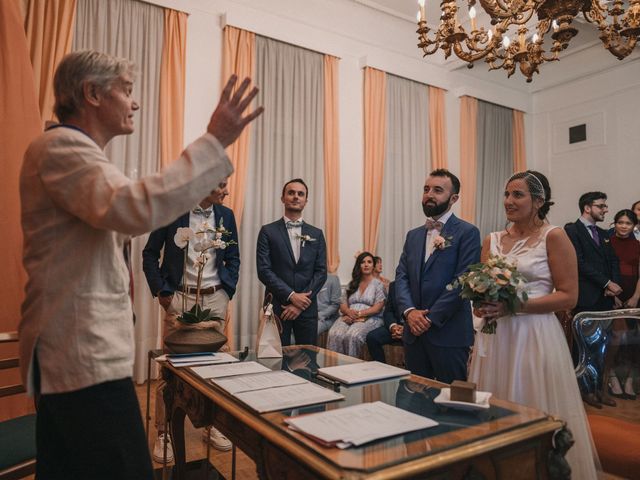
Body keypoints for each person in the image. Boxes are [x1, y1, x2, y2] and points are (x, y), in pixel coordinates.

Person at [18, 50, 262, 479]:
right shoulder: (62, 149)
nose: (135, 103)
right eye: (126, 91)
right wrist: (214, 139)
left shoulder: (75, 153)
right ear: (92, 94)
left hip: (73, 355)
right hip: (81, 359)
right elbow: (136, 208)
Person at [469, 170, 598, 479]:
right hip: (496, 338)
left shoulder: (553, 236)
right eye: (507, 194)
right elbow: (482, 288)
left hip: (535, 336)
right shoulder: (493, 239)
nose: (508, 201)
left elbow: (568, 296)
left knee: (530, 406)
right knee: (494, 409)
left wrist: (514, 306)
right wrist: (480, 302)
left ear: (539, 201)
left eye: (518, 195)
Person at [142, 181, 239, 461]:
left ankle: (212, 425)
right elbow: (150, 253)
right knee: (172, 369)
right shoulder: (171, 210)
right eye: (221, 184)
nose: (226, 190)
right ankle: (165, 432)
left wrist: (226, 291)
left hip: (215, 299)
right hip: (179, 299)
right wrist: (162, 292)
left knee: (215, 367)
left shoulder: (227, 215)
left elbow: (233, 257)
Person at [395, 169, 481, 383]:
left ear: (454, 199)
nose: (429, 195)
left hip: (448, 333)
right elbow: (402, 276)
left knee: (452, 402)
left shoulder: (468, 232)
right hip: (413, 334)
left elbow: (464, 280)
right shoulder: (413, 235)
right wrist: (409, 312)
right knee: (415, 400)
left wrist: (429, 319)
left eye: (437, 190)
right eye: (426, 189)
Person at [565, 191, 621, 407]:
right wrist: (606, 283)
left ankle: (600, 389)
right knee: (583, 348)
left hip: (605, 299)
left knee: (602, 347)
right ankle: (584, 390)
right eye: (601, 206)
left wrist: (612, 288)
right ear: (587, 208)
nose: (605, 210)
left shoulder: (603, 232)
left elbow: (613, 261)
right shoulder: (572, 231)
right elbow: (578, 263)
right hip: (586, 297)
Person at [256, 179, 327, 346]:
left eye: (300, 194)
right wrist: (291, 296)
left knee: (308, 358)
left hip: (306, 308)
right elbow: (264, 270)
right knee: (275, 358)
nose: (296, 197)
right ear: (283, 198)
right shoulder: (268, 231)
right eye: (291, 193)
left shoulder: (316, 233)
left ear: (306, 201)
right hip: (277, 306)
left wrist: (300, 303)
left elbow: (321, 272)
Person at [327, 252, 386, 357]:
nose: (366, 264)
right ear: (358, 265)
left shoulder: (378, 285)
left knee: (352, 336)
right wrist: (348, 312)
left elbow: (377, 308)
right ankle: (335, 368)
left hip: (371, 318)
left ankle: (352, 369)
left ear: (373, 265)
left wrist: (358, 314)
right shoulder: (352, 283)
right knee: (335, 333)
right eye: (363, 262)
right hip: (348, 316)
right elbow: (343, 303)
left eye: (369, 262)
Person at [608, 209, 640, 400]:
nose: (623, 226)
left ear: (634, 226)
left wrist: (636, 296)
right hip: (612, 295)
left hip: (634, 295)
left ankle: (629, 379)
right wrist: (612, 295)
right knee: (615, 338)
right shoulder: (607, 243)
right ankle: (612, 376)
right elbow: (605, 271)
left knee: (634, 340)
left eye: (628, 223)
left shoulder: (638, 245)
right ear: (615, 224)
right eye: (620, 222)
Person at [366, 281, 404, 363]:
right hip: (396, 326)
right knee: (372, 337)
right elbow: (388, 311)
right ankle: (381, 369)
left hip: (414, 327)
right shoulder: (394, 285)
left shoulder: (420, 285)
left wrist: (406, 329)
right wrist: (393, 326)